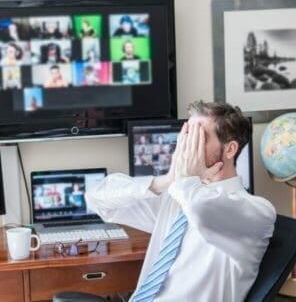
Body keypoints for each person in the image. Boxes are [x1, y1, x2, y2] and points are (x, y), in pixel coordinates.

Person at [86, 101, 276, 302]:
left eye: (197, 138)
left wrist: (185, 179)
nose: (185, 148)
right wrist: (166, 181)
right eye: (185, 137)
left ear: (230, 150)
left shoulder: (257, 212)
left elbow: (202, 211)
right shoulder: (176, 199)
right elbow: (97, 199)